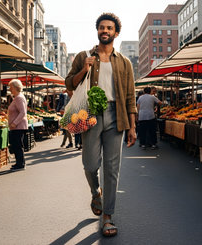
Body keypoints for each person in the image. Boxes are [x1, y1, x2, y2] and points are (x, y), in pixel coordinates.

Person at [65, 13, 137, 237]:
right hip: (91, 114)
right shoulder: (83, 56)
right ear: (97, 31)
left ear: (116, 33)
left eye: (109, 28)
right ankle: (96, 191)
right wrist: (84, 70)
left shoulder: (124, 62)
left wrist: (132, 126)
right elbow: (69, 83)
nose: (105, 31)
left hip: (117, 115)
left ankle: (108, 217)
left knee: (112, 169)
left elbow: (130, 97)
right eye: (101, 27)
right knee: (89, 164)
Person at [7, 79, 28, 170]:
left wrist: (14, 123)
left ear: (15, 87)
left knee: (18, 145)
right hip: (16, 127)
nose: (9, 89)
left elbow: (23, 112)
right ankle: (19, 163)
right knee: (16, 145)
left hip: (18, 127)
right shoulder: (17, 97)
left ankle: (20, 164)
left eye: (10, 87)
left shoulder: (19, 97)